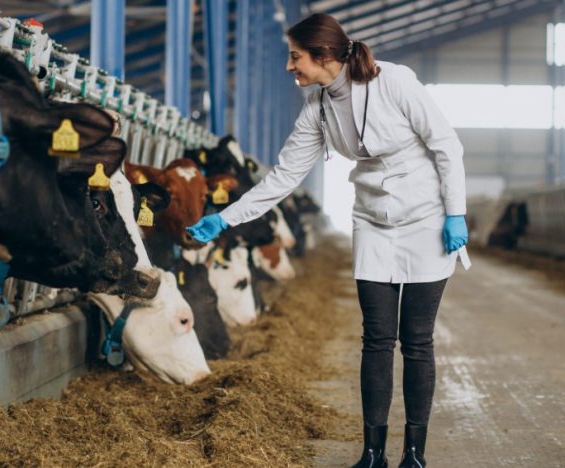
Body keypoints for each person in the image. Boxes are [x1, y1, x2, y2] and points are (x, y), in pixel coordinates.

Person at [186, 13, 469, 468]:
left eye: (295, 57)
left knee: (417, 341)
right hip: (373, 222)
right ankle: (372, 453)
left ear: (323, 56)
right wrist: (224, 219)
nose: (288, 66)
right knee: (377, 338)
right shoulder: (316, 107)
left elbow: (445, 145)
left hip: (427, 219)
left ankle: (414, 454)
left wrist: (455, 212)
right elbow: (281, 179)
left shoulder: (393, 82)